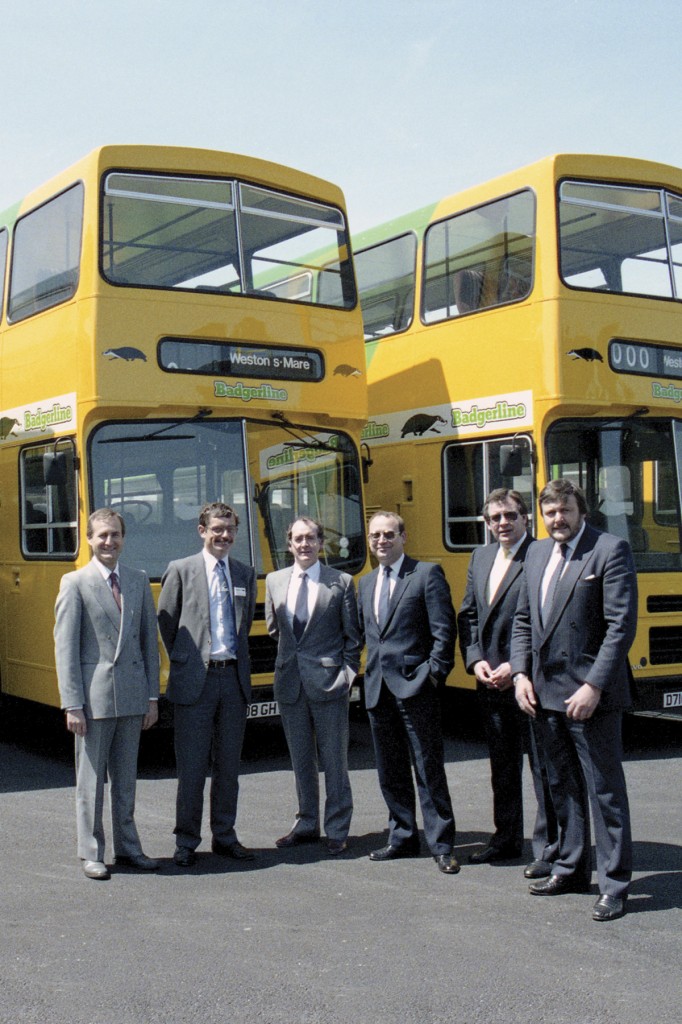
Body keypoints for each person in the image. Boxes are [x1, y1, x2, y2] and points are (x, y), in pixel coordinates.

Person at [510, 478, 638, 922]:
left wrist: (595, 685)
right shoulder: (537, 553)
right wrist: (521, 674)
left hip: (591, 697)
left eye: (564, 510)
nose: (557, 519)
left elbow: (620, 626)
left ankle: (615, 884)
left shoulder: (609, 550)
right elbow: (524, 619)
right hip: (543, 694)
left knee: (604, 792)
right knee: (561, 787)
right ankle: (570, 868)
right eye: (549, 513)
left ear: (580, 510)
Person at [54, 508, 160, 880]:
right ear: (88, 539)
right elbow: (64, 649)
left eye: (115, 535)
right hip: (93, 701)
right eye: (101, 535)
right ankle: (91, 852)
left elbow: (149, 642)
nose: (109, 542)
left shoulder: (137, 580)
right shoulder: (75, 583)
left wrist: (152, 697)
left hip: (132, 697)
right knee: (91, 781)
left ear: (123, 538)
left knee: (127, 780)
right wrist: (73, 704)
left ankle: (130, 848)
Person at [458, 489, 558, 873]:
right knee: (502, 767)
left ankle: (549, 849)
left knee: (542, 769)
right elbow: (468, 615)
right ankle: (505, 839)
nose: (502, 523)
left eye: (510, 516)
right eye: (494, 518)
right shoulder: (480, 556)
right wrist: (475, 660)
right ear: (486, 523)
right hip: (490, 683)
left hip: (529, 682)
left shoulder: (541, 554)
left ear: (525, 519)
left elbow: (543, 620)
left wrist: (516, 668)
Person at [358, 511, 460, 874]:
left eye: (388, 535)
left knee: (428, 767)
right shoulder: (366, 583)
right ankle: (401, 837)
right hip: (377, 691)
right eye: (375, 536)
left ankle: (442, 844)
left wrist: (433, 675)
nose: (381, 542)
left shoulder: (426, 574)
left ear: (404, 537)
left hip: (417, 687)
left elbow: (444, 631)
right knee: (390, 769)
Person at [158, 501, 256, 867]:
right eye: (217, 529)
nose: (224, 536)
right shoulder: (180, 570)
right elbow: (168, 623)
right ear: (202, 531)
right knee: (192, 768)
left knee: (229, 767)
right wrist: (189, 659)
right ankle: (186, 840)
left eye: (229, 530)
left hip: (232, 680)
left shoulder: (245, 574)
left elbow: (242, 628)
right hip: (195, 681)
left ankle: (225, 836)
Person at [265, 517, 361, 855]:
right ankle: (307, 822)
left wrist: (347, 676)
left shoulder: (342, 582)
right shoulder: (275, 581)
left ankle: (337, 828)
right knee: (301, 759)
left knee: (334, 760)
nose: (304, 545)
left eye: (311, 538)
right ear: (288, 544)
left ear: (321, 543)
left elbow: (353, 636)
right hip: (290, 683)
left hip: (329, 683)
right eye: (297, 539)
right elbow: (276, 630)